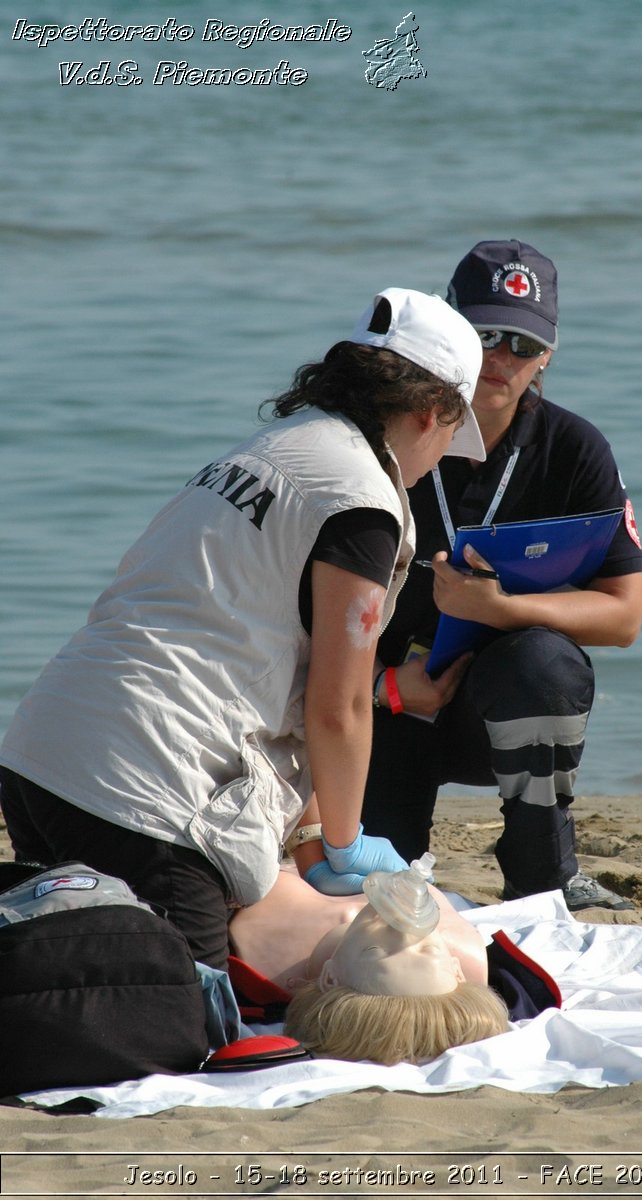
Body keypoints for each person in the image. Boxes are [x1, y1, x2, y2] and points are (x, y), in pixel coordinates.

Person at [0, 287, 486, 970]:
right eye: (449, 438)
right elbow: (339, 704)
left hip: (41, 756)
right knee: (188, 1013)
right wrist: (346, 844)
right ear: (431, 412)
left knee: (70, 960)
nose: (442, 457)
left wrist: (314, 832)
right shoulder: (364, 500)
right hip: (143, 795)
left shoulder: (267, 449)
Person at [361, 240, 642, 911]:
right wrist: (383, 687)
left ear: (547, 354)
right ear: (448, 328)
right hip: (376, 701)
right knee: (383, 891)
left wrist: (503, 610)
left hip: (499, 708)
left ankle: (541, 874)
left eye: (521, 344)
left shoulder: (575, 448)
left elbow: (624, 616)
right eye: (483, 334)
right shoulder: (378, 439)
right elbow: (296, 618)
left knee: (545, 663)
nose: (500, 358)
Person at [228, 862, 559, 1065]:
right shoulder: (468, 955)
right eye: (427, 948)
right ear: (457, 970)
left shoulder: (259, 940)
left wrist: (311, 840)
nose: (402, 930)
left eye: (376, 950)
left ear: (330, 978)